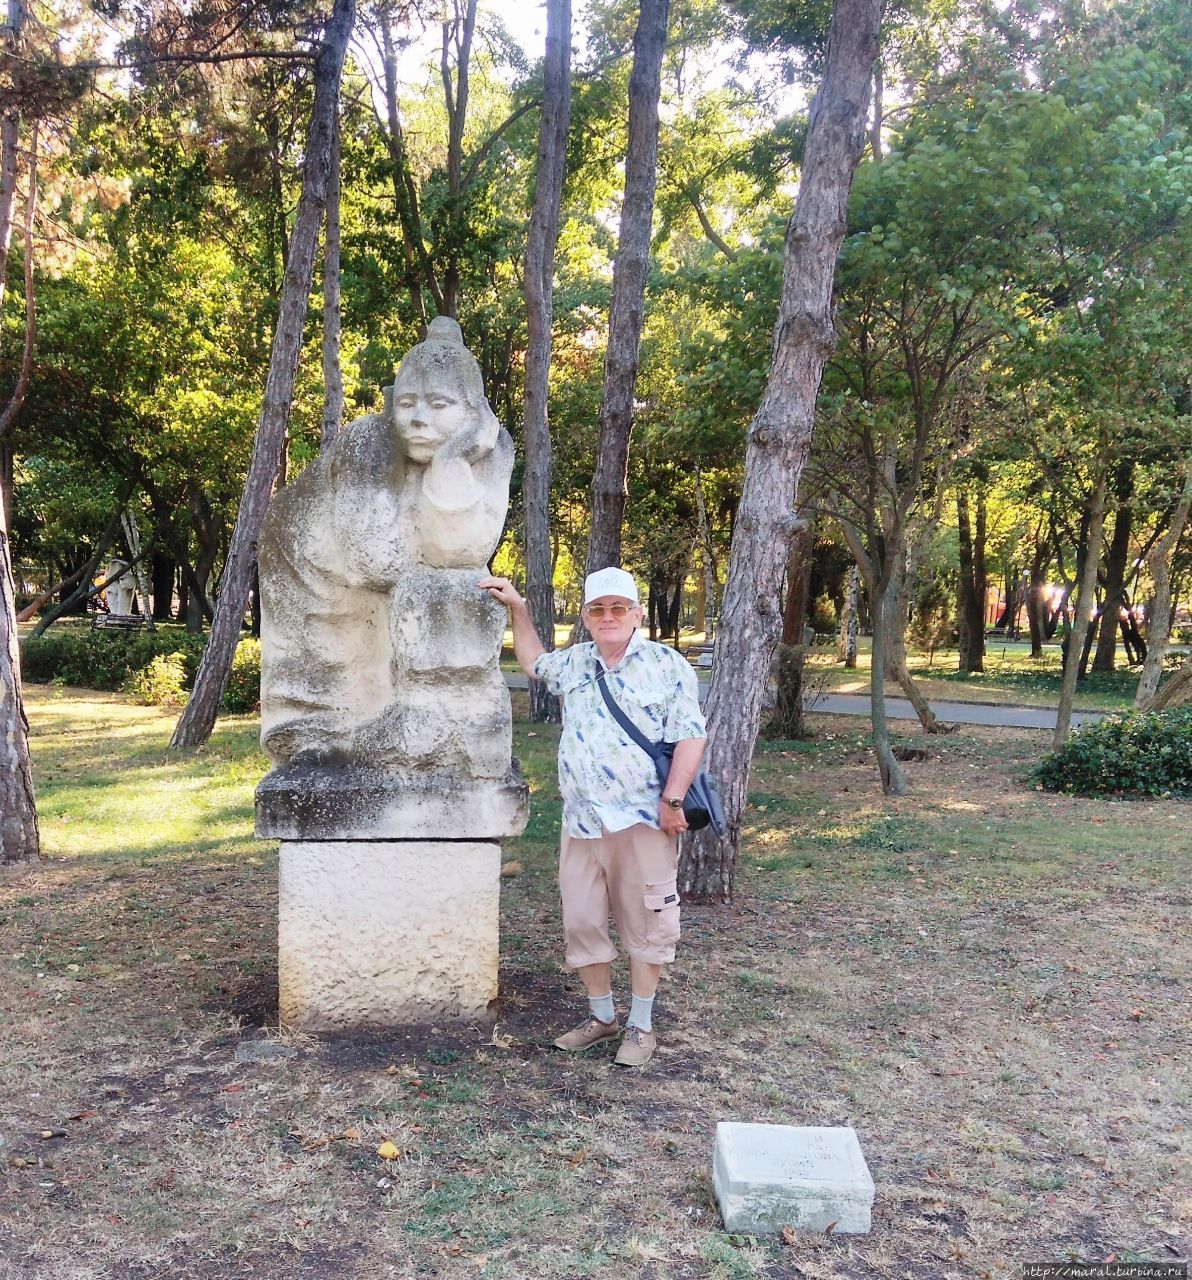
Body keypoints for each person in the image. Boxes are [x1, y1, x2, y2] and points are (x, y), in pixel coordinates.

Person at [478, 566, 707, 1067]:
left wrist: (673, 800)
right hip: (581, 822)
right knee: (582, 921)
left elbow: (691, 736)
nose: (608, 617)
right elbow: (536, 662)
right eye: (598, 609)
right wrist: (518, 608)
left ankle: (641, 1027)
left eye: (618, 608)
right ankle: (602, 1018)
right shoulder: (578, 662)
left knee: (648, 923)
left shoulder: (667, 666)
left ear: (637, 614)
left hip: (642, 821)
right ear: (585, 617)